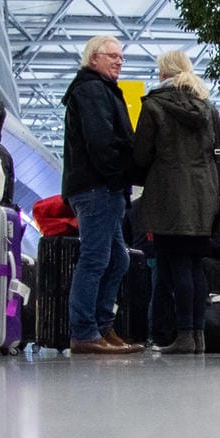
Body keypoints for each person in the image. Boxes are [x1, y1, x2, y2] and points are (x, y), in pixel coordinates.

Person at [132, 50, 220, 355]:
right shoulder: (208, 109)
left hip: (168, 196)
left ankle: (184, 334)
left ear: (163, 74)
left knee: (176, 266)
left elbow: (141, 155)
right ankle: (198, 334)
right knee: (196, 266)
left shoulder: (155, 106)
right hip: (204, 195)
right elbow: (219, 154)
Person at [61, 35, 143, 354]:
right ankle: (85, 331)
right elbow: (100, 141)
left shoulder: (99, 89)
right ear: (93, 58)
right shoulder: (93, 90)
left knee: (118, 258)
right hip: (97, 186)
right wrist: (119, 175)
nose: (118, 61)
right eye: (112, 56)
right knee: (96, 258)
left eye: (121, 57)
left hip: (101, 187)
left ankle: (101, 326)